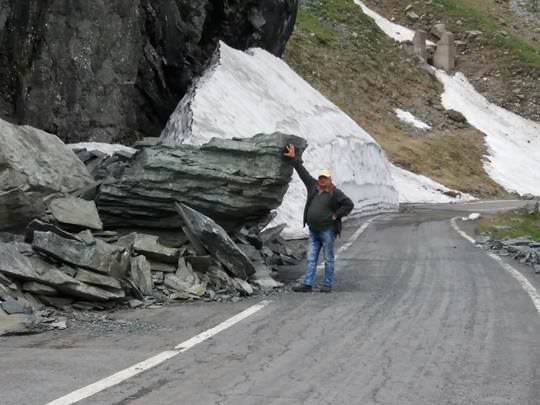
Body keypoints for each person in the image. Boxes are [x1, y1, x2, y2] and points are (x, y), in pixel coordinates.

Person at [284, 144, 354, 293]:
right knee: (311, 257)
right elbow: (303, 173)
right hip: (314, 230)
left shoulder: (335, 192)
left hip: (327, 230)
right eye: (320, 177)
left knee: (328, 258)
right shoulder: (313, 186)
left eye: (325, 178)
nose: (322, 180)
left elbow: (349, 204)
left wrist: (336, 215)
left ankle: (327, 284)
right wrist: (293, 158)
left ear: (329, 179)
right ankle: (307, 284)